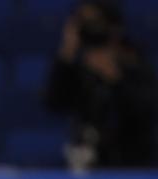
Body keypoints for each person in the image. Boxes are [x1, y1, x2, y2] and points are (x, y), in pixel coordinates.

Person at [45, 0, 157, 169]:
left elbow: (145, 112)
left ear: (114, 28)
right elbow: (54, 102)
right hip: (86, 163)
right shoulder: (77, 68)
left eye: (95, 24)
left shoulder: (134, 65)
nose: (92, 31)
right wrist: (66, 54)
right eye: (85, 24)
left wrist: (115, 78)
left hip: (130, 165)